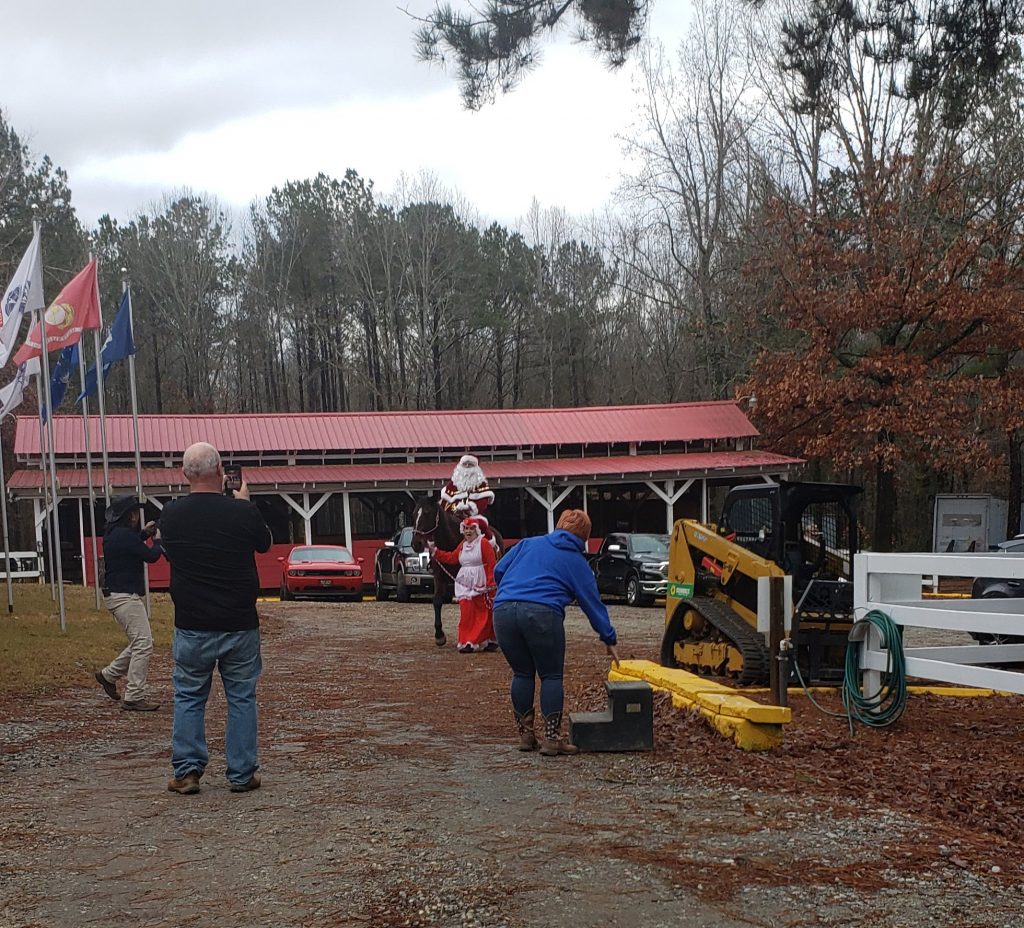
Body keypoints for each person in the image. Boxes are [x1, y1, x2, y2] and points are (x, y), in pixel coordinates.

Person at [159, 442, 272, 795]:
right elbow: (265, 544)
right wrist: (244, 504)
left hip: (192, 621)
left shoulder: (170, 516)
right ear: (221, 471)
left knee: (189, 696)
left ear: (184, 474)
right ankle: (241, 773)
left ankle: (188, 771)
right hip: (239, 620)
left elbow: (168, 552)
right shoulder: (242, 512)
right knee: (241, 697)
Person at [492, 509, 620, 756]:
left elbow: (499, 570)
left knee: (522, 673)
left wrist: (511, 590)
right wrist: (609, 637)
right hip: (542, 614)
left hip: (503, 612)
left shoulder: (528, 544)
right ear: (584, 536)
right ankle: (552, 739)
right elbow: (592, 602)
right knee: (550, 676)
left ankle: (526, 736)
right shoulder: (576, 561)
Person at [93, 494, 163, 711]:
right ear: (129, 515)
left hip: (116, 594)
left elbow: (132, 544)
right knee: (143, 643)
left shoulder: (115, 534)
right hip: (124, 596)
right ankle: (134, 695)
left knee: (139, 642)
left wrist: (145, 533)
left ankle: (109, 675)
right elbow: (151, 556)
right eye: (134, 512)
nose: (136, 516)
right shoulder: (125, 536)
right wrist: (158, 539)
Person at [429, 516, 498, 653]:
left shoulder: (483, 544)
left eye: (471, 529)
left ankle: (476, 640)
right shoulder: (463, 545)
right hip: (465, 582)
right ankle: (467, 639)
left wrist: (491, 584)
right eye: (466, 529)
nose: (468, 532)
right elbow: (452, 557)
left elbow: (491, 564)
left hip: (480, 581)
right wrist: (436, 553)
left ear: (476, 530)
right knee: (466, 612)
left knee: (482, 613)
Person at [440, 454, 494, 518]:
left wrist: (468, 507)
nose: (467, 466)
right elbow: (445, 502)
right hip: (452, 517)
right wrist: (455, 508)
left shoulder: (481, 484)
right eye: (464, 464)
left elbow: (483, 503)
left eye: (470, 464)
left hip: (474, 517)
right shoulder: (453, 483)